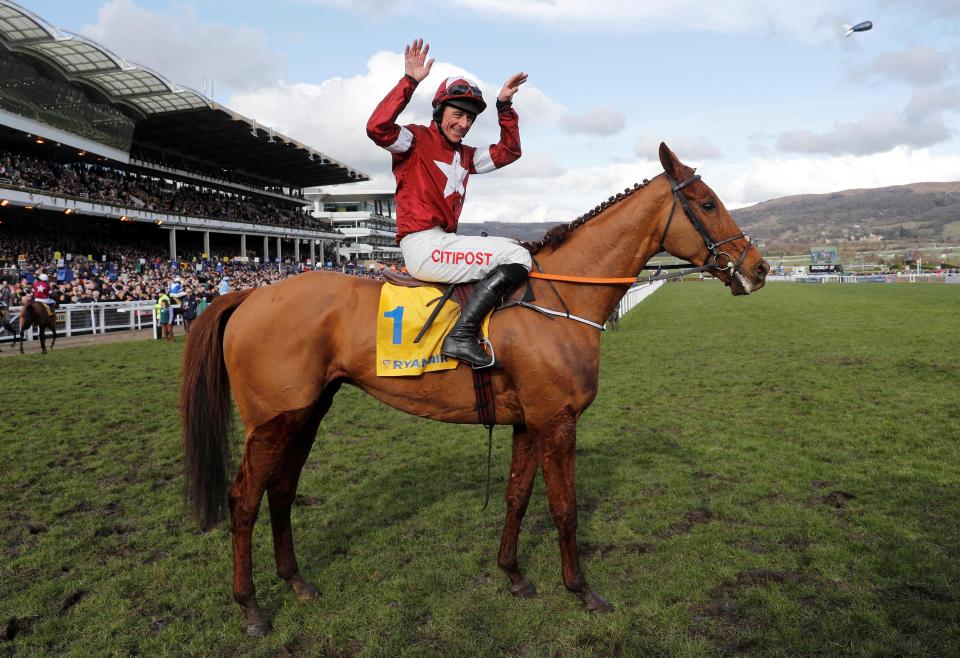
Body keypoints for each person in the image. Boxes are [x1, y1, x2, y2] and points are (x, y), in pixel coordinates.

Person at [366, 38, 532, 367]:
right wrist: (409, 82)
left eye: (470, 119)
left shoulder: (466, 156)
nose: (464, 124)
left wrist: (504, 108)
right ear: (440, 112)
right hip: (423, 244)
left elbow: (509, 152)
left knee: (512, 247)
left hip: (444, 242)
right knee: (516, 255)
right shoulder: (413, 140)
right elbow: (377, 128)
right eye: (458, 114)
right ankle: (461, 336)